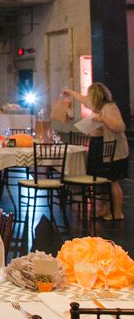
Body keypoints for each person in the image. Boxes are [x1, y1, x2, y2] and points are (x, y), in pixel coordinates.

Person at [62, 82, 129, 220]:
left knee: (112, 181)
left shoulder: (109, 107)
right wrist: (70, 92)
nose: (88, 98)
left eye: (90, 95)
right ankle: (105, 209)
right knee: (101, 182)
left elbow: (120, 127)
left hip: (112, 152)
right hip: (99, 147)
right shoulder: (98, 106)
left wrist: (103, 119)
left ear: (96, 96)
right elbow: (83, 100)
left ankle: (117, 212)